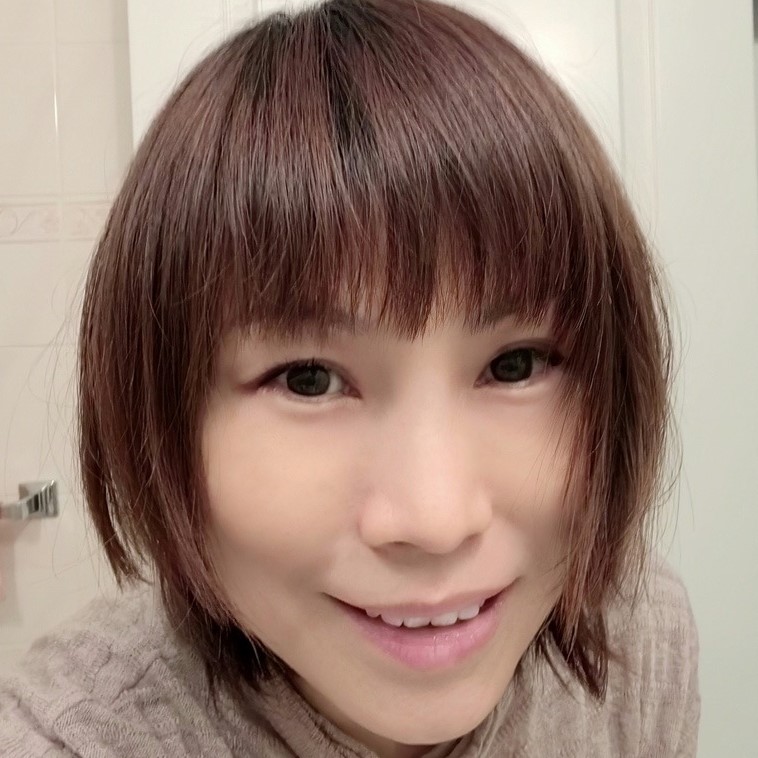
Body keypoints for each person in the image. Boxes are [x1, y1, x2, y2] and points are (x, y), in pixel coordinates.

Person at [0, 0, 699, 755]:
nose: (435, 521)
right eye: (308, 379)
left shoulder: (637, 637)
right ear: (159, 422)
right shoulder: (75, 739)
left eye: (514, 365)